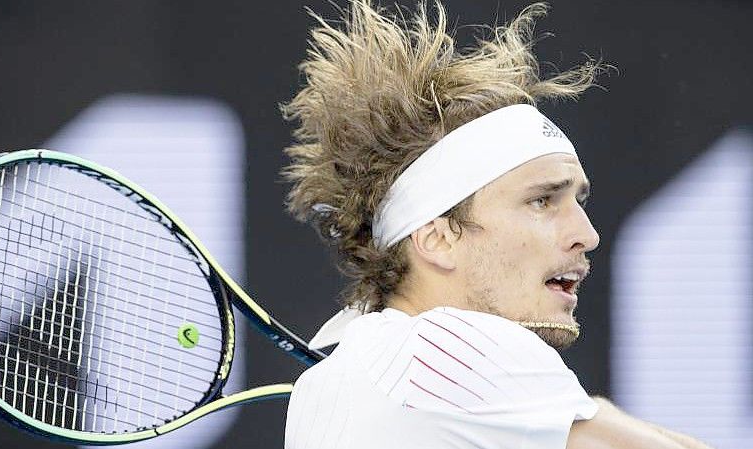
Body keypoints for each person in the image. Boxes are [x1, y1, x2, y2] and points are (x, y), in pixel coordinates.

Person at [281, 1, 713, 448]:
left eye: (576, 200)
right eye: (541, 200)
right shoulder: (450, 349)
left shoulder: (337, 379)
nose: (587, 234)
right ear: (437, 238)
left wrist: (587, 412)